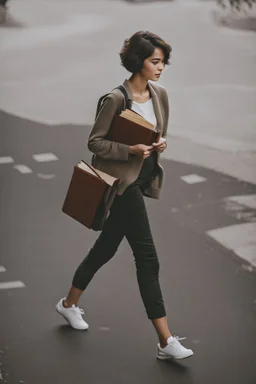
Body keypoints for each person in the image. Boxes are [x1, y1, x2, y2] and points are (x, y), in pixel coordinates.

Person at [56, 31, 194, 360]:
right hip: (121, 186)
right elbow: (95, 143)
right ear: (138, 62)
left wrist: (159, 144)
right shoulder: (115, 99)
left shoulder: (159, 94)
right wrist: (130, 149)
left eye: (163, 62)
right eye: (155, 61)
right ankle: (165, 341)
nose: (161, 68)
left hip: (141, 178)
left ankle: (68, 304)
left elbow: (158, 132)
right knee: (148, 258)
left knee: (105, 249)